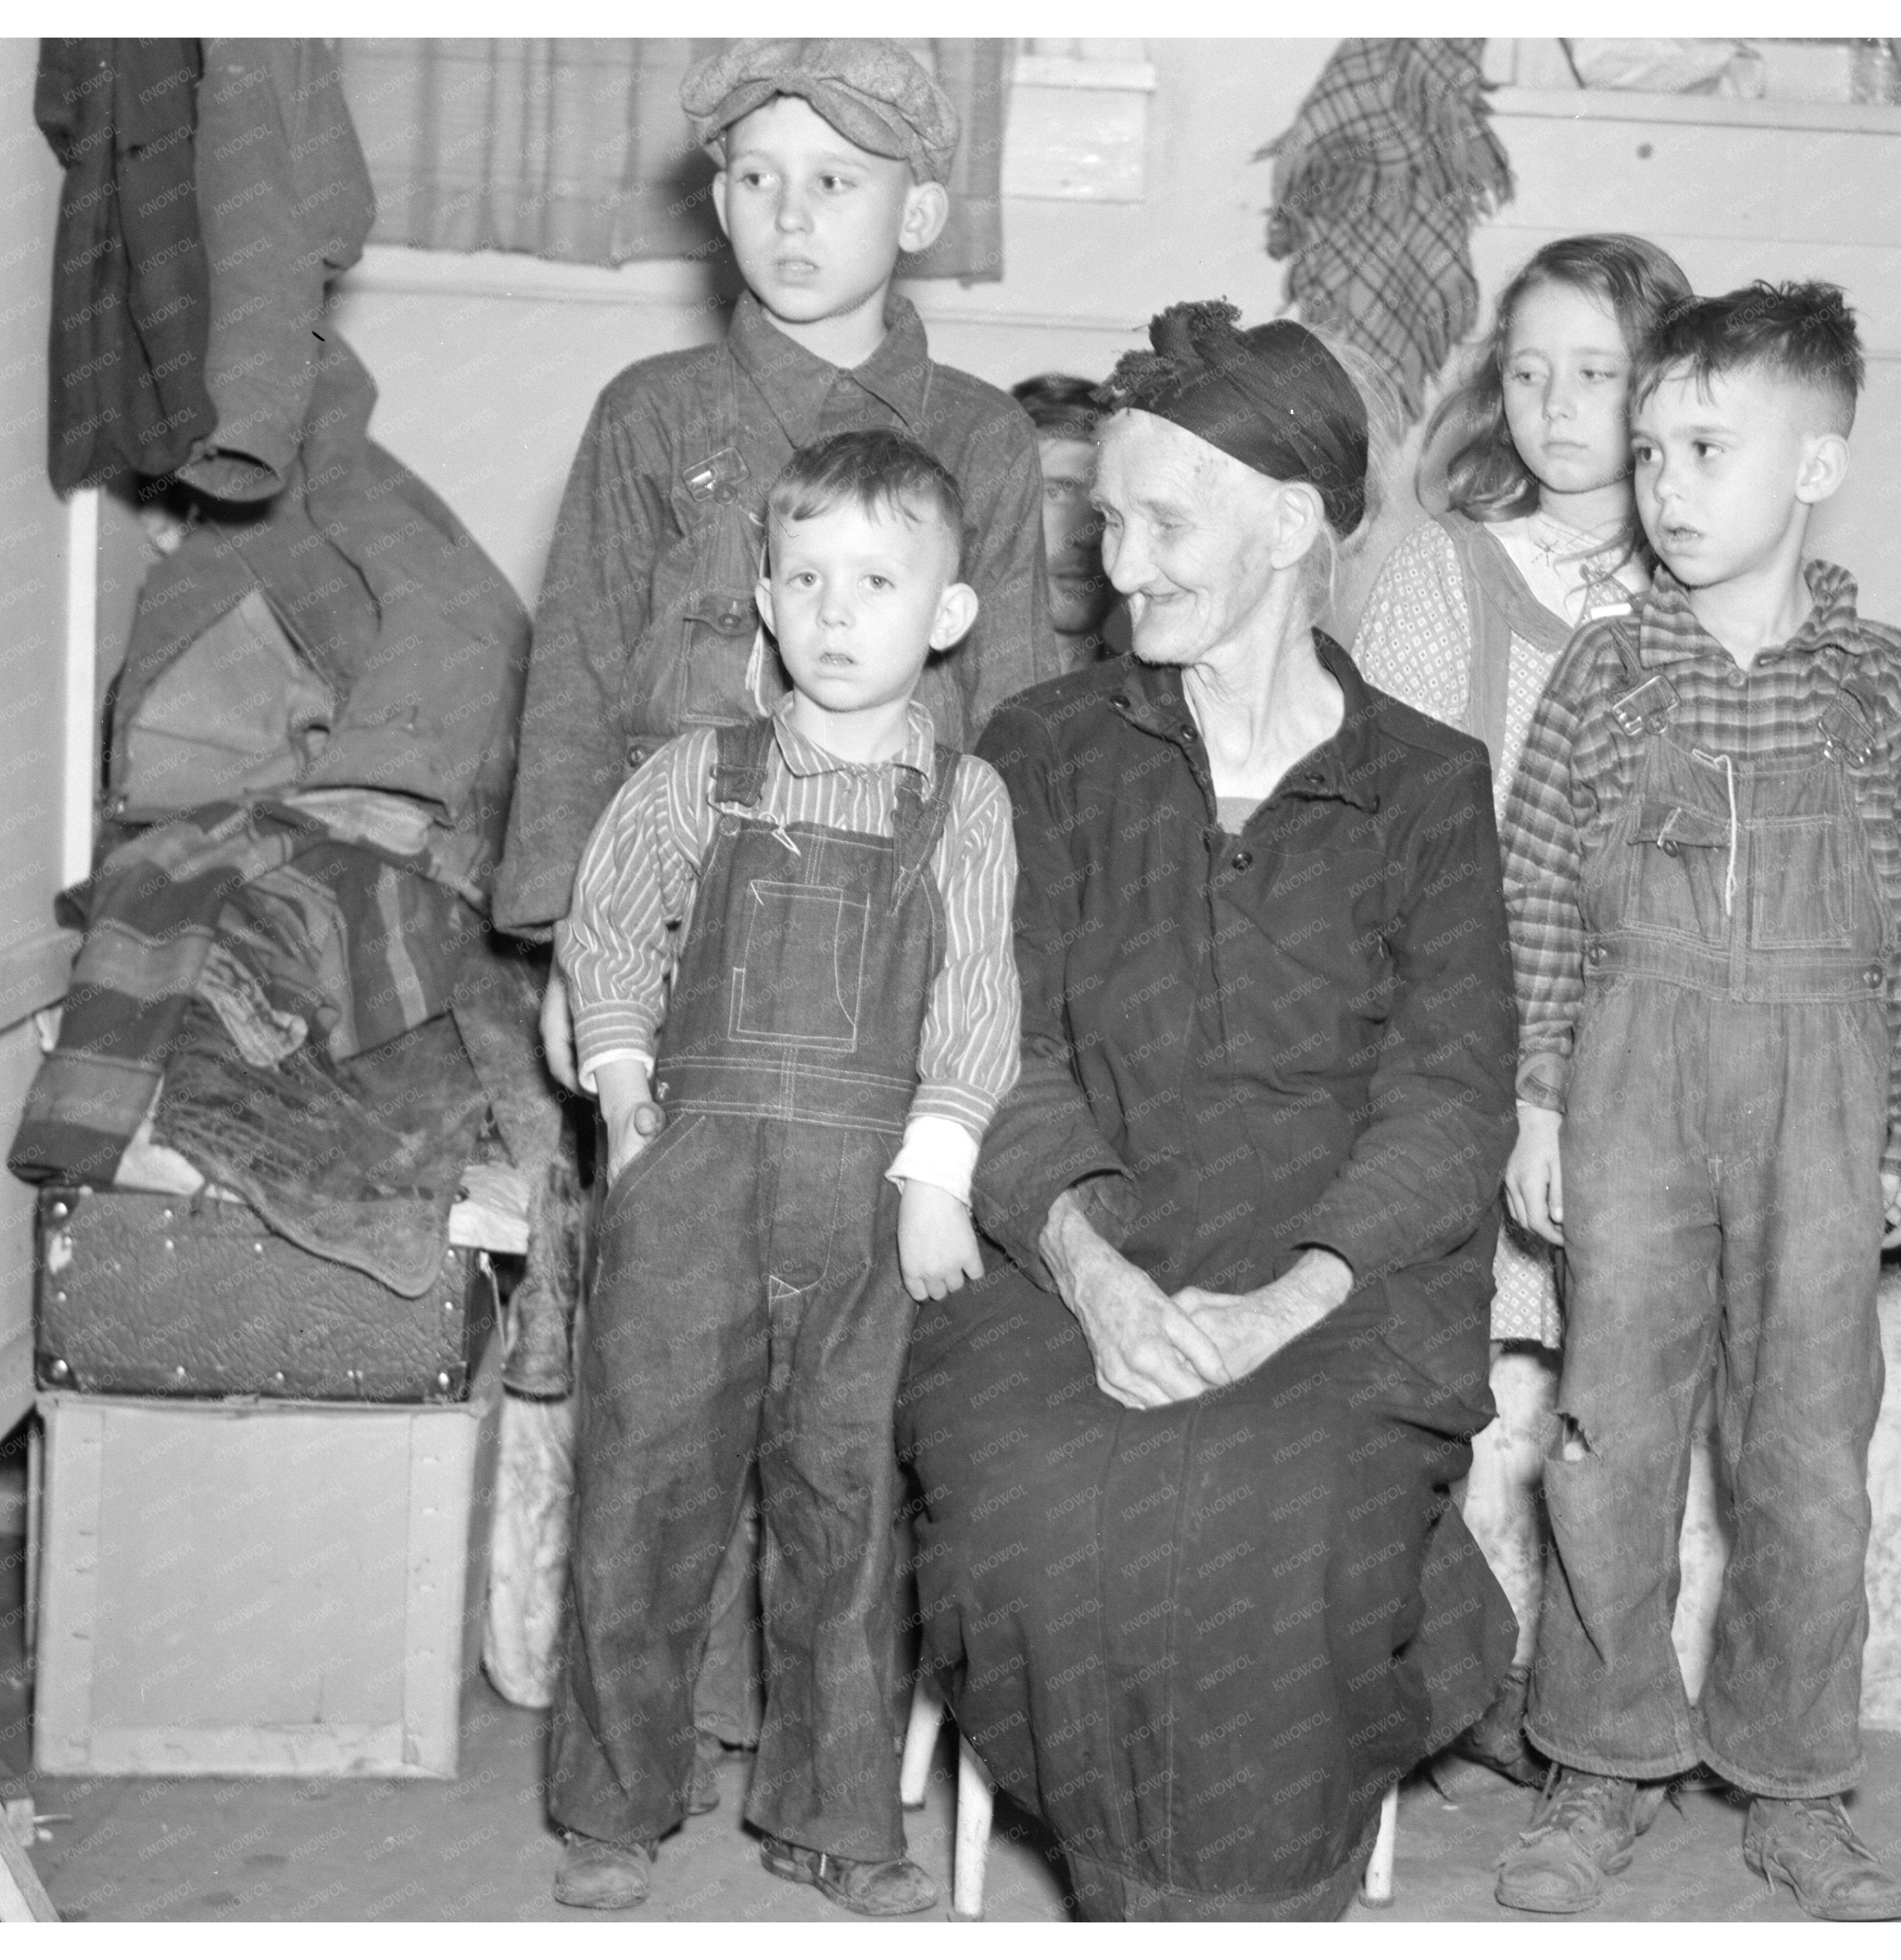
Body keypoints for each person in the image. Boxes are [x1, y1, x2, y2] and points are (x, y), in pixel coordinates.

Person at [899, 299, 1521, 1921]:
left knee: (1271, 1527)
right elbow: (995, 1044)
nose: (1119, 565)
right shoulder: (1039, 749)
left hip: (1339, 1276)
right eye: (1105, 518)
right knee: (1047, 1504)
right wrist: (1098, 1275)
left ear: (1295, 521)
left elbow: (1451, 1099)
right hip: (1063, 1249)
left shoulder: (1428, 788)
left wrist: (1283, 1305)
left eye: (1163, 519)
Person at [494, 36, 1057, 1795]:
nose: (789, 218)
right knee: (662, 1406)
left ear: (927, 207)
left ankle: (817, 1760)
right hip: (673, 994)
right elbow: (581, 689)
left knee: (850, 1413)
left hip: (884, 1011)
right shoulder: (649, 423)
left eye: (837, 179)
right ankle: (642, 1751)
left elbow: (1022, 729)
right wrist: (566, 977)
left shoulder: (982, 442)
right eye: (753, 178)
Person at [1496, 282, 1901, 1921]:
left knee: (1804, 1457)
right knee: (1604, 1437)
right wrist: (1537, 1103)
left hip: (1822, 1086)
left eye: (1707, 446)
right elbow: (1531, 912)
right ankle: (1597, 1755)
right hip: (1634, 1074)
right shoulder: (1600, 676)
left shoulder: (1889, 684)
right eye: (1647, 452)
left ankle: (1792, 1775)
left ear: (1818, 463)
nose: (1666, 484)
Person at [545, 429, 1021, 1915]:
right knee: (645, 1497)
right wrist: (623, 1087)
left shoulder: (966, 805)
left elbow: (981, 1003)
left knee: (853, 1516)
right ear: (763, 595)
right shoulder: (704, 776)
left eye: (876, 580)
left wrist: (942, 1170)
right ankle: (615, 1804)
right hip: (691, 1189)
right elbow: (607, 929)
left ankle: (836, 1821)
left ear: (945, 615)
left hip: (874, 1207)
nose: (835, 610)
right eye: (804, 576)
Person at [1353, 233, 1691, 1785]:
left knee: (1620, 1397)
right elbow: (1389, 840)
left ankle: (1600, 1698)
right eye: (1532, 370)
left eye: (1600, 374)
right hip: (1472, 1020)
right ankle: (1435, 1680)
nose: (1559, 408)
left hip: (1647, 1033)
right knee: (1431, 1379)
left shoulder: (1713, 586)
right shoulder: (1442, 569)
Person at [1010, 371, 1123, 666]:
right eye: (1055, 493)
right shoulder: (920, 701)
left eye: (1107, 504)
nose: (1088, 535)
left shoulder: (1169, 703)